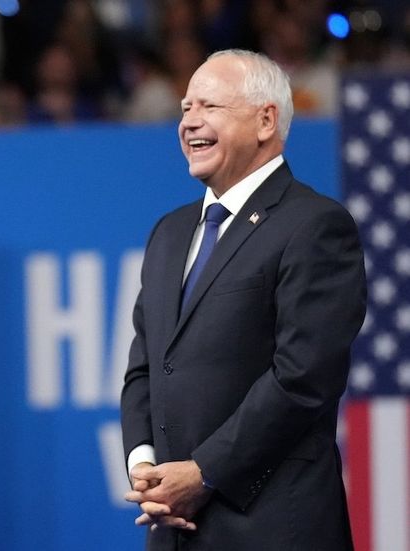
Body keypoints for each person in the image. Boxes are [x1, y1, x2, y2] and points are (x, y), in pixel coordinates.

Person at [120, 49, 366, 550]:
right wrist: (144, 464)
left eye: (208, 106)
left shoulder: (314, 226)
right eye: (185, 108)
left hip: (273, 526)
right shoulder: (168, 233)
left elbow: (302, 379)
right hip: (176, 529)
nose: (189, 122)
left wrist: (203, 473)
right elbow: (145, 367)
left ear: (265, 119)